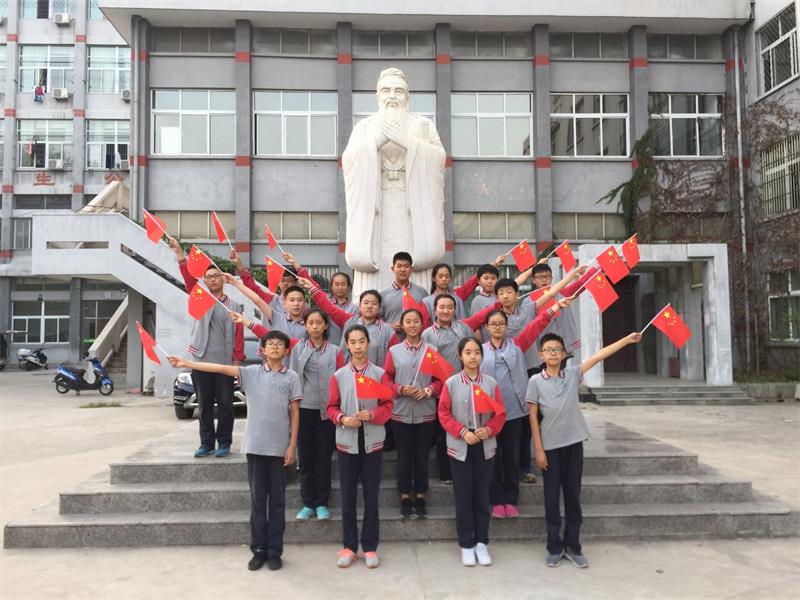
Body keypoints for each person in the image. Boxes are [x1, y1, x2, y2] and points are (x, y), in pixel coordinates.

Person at [167, 329, 300, 571]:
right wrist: (186, 363)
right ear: (263, 350)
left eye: (280, 344)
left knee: (277, 502)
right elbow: (218, 368)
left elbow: (295, 413)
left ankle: (274, 551)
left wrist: (292, 446)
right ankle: (258, 550)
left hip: (279, 449)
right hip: (255, 447)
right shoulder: (250, 373)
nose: (275, 347)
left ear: (286, 350)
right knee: (258, 501)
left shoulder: (291, 377)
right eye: (270, 344)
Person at [527, 331, 642, 569]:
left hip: (573, 444)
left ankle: (573, 545)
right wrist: (538, 449)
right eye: (548, 350)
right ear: (541, 355)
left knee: (573, 496)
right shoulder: (535, 381)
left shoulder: (572, 375)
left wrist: (625, 340)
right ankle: (554, 546)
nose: (553, 353)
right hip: (550, 447)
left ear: (564, 354)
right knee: (551, 498)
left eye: (557, 349)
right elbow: (532, 417)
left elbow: (598, 356)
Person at [230, 309, 345, 522]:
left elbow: (342, 380)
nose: (315, 327)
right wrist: (246, 321)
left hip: (327, 412)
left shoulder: (336, 351)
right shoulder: (296, 346)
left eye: (319, 323)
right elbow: (270, 337)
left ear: (326, 326)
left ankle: (322, 503)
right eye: (311, 323)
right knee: (306, 459)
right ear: (306, 326)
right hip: (304, 409)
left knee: (324, 459)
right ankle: (307, 502)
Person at [342, 67, 446, 294]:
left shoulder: (423, 125)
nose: (392, 96)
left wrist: (406, 141)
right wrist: (378, 140)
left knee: (414, 266)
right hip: (376, 209)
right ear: (377, 96)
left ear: (407, 96)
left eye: (398, 91)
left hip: (412, 206)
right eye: (386, 90)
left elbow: (439, 159)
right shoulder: (365, 127)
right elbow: (350, 161)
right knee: (374, 281)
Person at [480, 299, 570, 520]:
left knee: (511, 457)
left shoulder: (517, 345)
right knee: (492, 457)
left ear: (507, 326)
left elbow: (536, 325)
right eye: (493, 324)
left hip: (513, 411)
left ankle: (511, 499)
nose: (498, 327)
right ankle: (495, 499)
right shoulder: (479, 350)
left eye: (501, 323)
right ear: (487, 328)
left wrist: (555, 308)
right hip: (489, 414)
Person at [168, 237, 244, 458]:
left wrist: (237, 361)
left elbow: (239, 335)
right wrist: (180, 254)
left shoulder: (235, 306)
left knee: (226, 405)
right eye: (209, 277)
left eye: (216, 276)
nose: (212, 279)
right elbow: (189, 279)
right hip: (201, 361)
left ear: (223, 278)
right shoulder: (200, 299)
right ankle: (206, 443)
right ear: (205, 281)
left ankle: (224, 442)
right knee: (204, 405)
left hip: (225, 364)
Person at [328, 325, 394, 569]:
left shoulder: (379, 374)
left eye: (362, 341)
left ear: (368, 343)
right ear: (347, 345)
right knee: (347, 496)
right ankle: (349, 546)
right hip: (347, 443)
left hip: (372, 442)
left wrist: (373, 414)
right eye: (353, 342)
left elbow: (388, 406)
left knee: (371, 496)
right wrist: (342, 418)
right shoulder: (339, 375)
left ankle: (370, 546)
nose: (357, 346)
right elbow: (331, 407)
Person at [438, 337, 506, 567]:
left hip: (485, 445)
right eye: (468, 352)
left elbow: (500, 414)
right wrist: (461, 432)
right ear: (460, 356)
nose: (473, 356)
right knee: (464, 496)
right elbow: (444, 414)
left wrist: (489, 429)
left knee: (482, 496)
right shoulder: (451, 383)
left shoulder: (490, 384)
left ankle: (481, 542)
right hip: (460, 446)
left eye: (477, 352)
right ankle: (466, 544)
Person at [422, 294, 499, 484]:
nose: (446, 311)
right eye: (442, 307)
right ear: (435, 310)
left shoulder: (463, 328)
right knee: (443, 433)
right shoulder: (428, 334)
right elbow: (428, 364)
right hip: (443, 388)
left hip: (467, 385)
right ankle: (446, 472)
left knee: (468, 423)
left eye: (450, 307)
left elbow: (472, 350)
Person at [382, 308, 442, 518]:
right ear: (402, 325)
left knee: (422, 456)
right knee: (404, 456)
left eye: (416, 321)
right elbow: (386, 379)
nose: (412, 325)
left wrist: (428, 391)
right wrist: (399, 389)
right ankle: (405, 495)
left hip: (426, 412)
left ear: (422, 324)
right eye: (408, 321)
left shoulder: (432, 350)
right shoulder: (394, 351)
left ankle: (421, 494)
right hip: (401, 412)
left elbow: (440, 381)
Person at [300, 278, 395, 368]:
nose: (369, 306)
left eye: (374, 304)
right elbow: (330, 308)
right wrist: (312, 288)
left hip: (374, 376)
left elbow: (393, 358)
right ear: (359, 306)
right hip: (349, 374)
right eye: (366, 303)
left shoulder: (387, 331)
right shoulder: (349, 321)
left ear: (379, 308)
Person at [422, 256, 505, 322]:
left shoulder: (457, 295)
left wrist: (494, 265)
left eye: (447, 276)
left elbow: (473, 281)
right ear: (433, 278)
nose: (444, 279)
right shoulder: (427, 302)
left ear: (450, 278)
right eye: (440, 276)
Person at [230, 249, 303, 315]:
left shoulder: (303, 306)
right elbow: (253, 287)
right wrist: (239, 265)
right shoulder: (272, 300)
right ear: (278, 282)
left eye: (289, 280)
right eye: (282, 280)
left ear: (296, 282)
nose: (285, 284)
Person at [379, 252, 429, 330]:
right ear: (393, 269)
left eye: (406, 266)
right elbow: (376, 320)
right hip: (392, 337)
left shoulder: (422, 292)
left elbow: (427, 318)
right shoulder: (383, 294)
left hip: (416, 337)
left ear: (411, 269)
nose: (403, 270)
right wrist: (390, 326)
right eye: (399, 266)